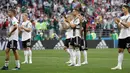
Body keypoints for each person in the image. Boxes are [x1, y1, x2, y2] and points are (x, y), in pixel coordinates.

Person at [111, 5, 130, 70]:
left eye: (124, 8)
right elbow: (120, 28)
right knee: (120, 50)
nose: (122, 9)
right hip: (122, 36)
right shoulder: (122, 17)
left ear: (127, 9)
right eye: (122, 8)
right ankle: (119, 66)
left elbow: (127, 25)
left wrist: (120, 21)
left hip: (128, 36)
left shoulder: (129, 16)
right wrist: (117, 23)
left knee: (129, 50)